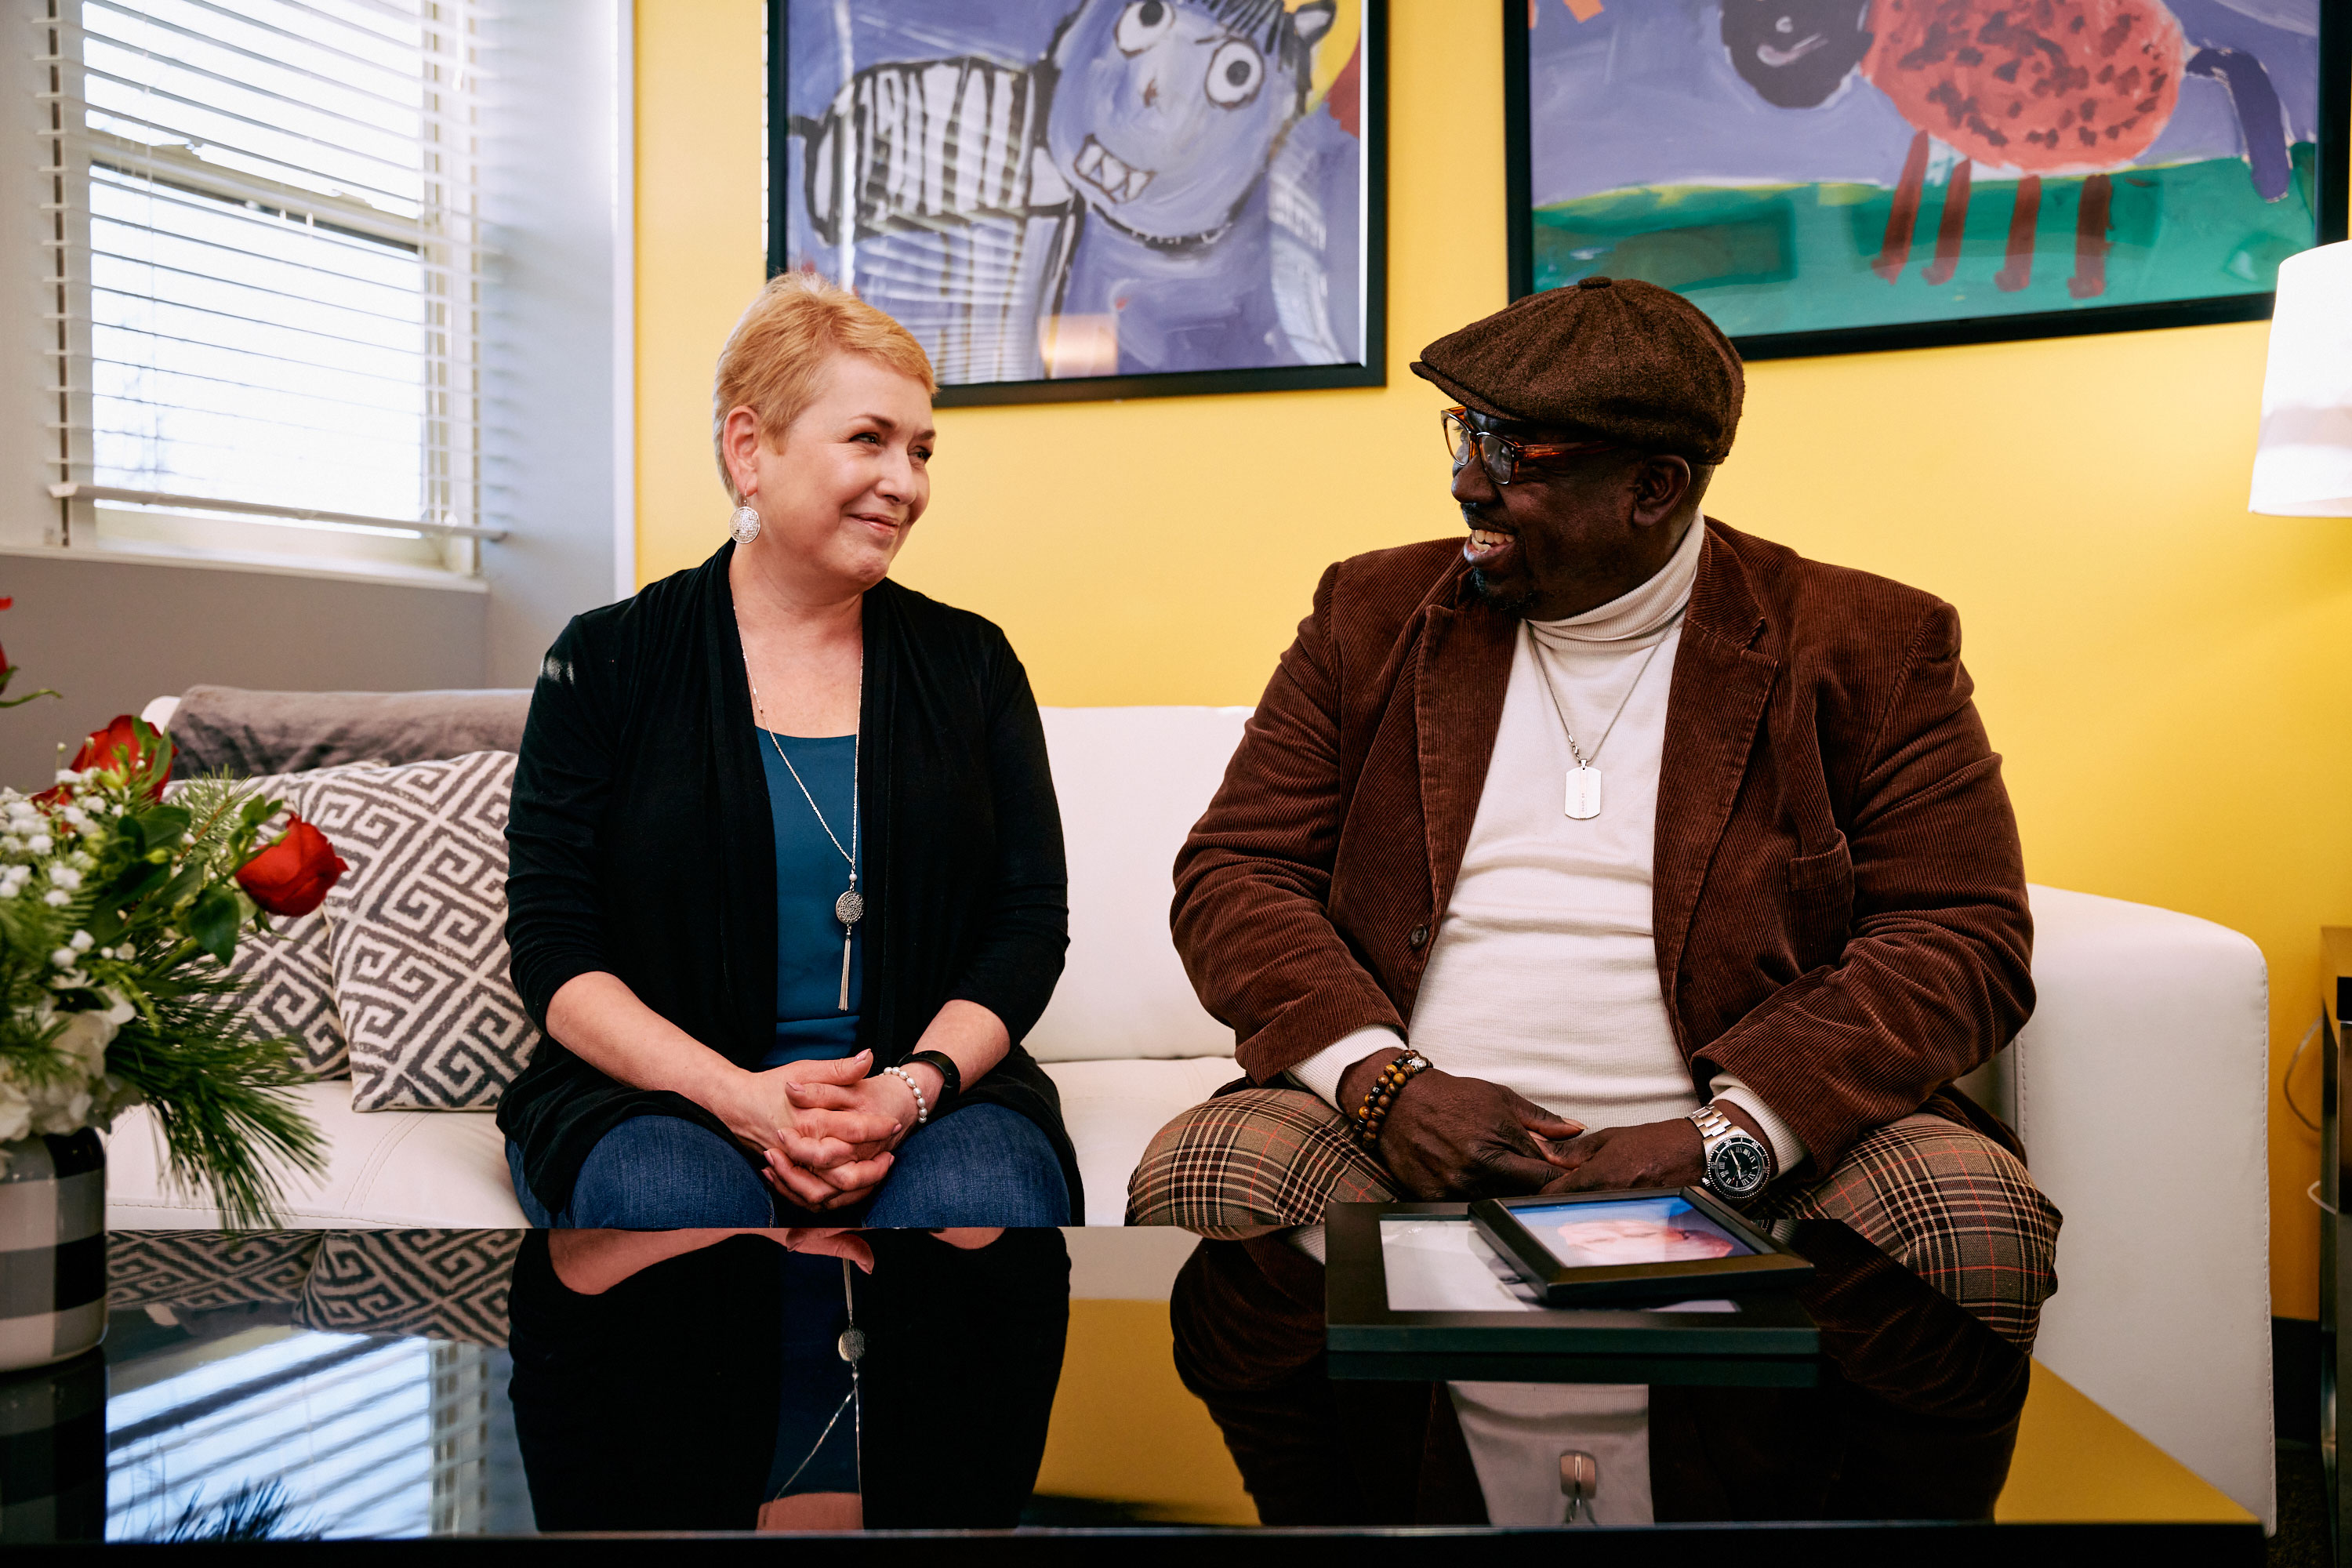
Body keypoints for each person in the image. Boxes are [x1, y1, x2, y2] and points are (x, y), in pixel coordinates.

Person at [1129, 278, 2060, 1525]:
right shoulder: (1369, 612)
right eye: (1466, 435)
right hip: (1401, 1127)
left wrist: (1729, 1136)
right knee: (1215, 1170)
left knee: (1968, 1224)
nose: (1468, 480)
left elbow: (1963, 937)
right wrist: (1387, 1087)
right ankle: (1332, 1532)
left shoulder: (1869, 643)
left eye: (1514, 454)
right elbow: (1236, 874)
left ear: (1654, 487)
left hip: (1759, 1147)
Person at [499, 272, 1078, 1229]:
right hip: (664, 1096)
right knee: (669, 1204)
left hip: (929, 1097)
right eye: (869, 439)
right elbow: (554, 944)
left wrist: (904, 1094)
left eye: (922, 450)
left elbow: (1027, 923)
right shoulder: (606, 658)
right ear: (748, 447)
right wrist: (741, 1097)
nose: (907, 482)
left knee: (985, 1208)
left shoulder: (972, 662)